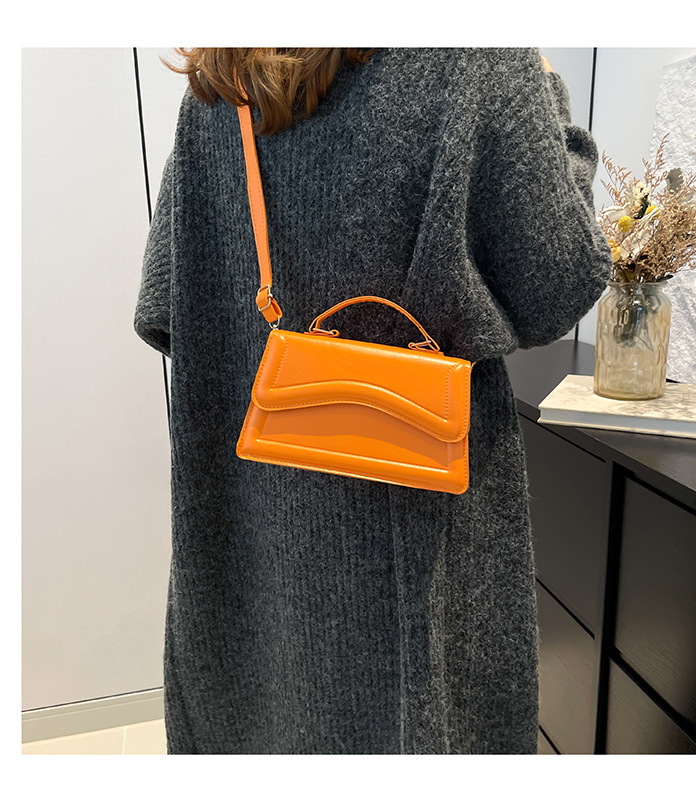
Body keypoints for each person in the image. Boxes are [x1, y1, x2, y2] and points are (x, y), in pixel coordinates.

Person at [134, 47, 612, 755]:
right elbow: (557, 282)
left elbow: (164, 310)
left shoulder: (220, 86)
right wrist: (550, 100)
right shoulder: (481, 57)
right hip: (415, 562)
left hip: (247, 553)